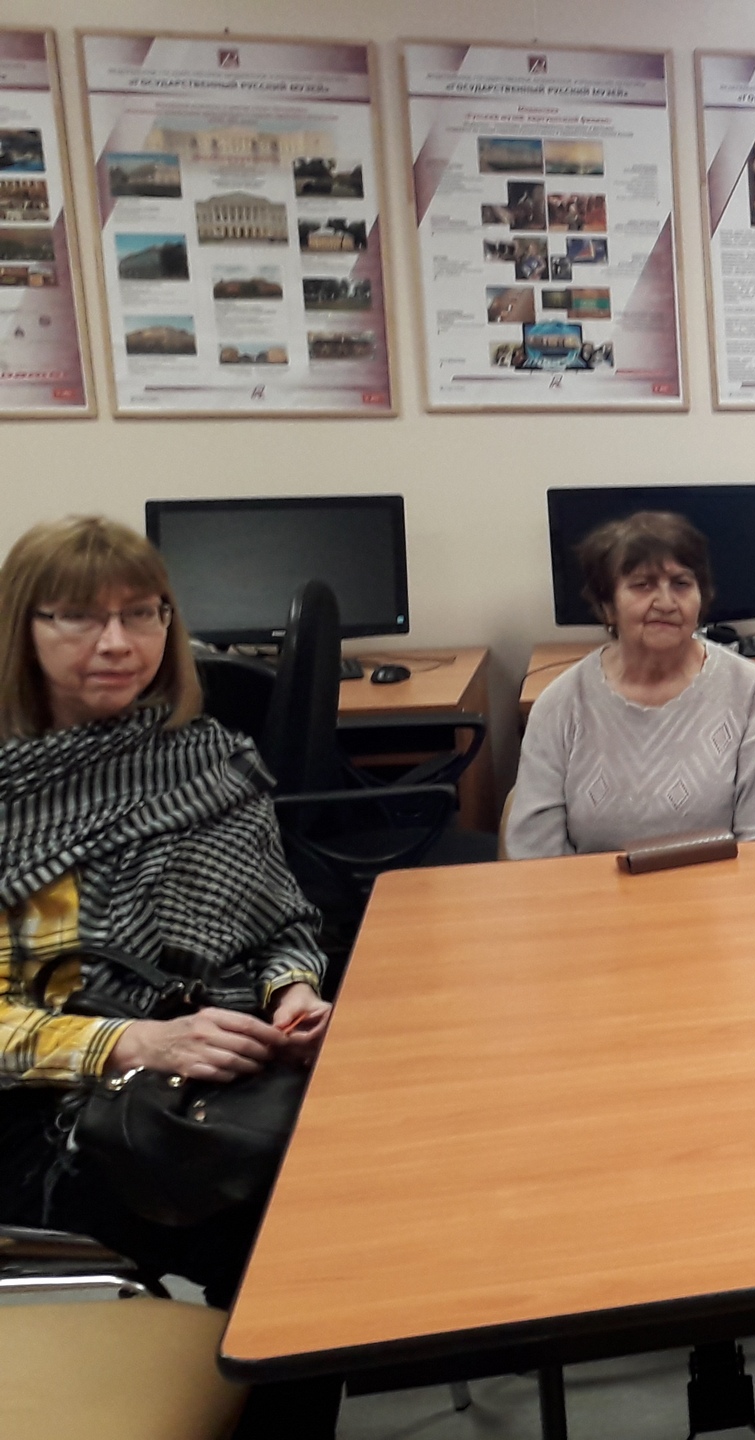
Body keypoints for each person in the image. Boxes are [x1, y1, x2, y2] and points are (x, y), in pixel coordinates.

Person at [0, 517, 338, 1434]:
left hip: (224, 1067)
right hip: (57, 1114)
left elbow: (282, 920)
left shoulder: (204, 756)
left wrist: (293, 993)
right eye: (79, 617)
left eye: (141, 613)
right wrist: (137, 1041)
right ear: (22, 627)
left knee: (363, 1179)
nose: (118, 642)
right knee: (307, 1240)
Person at [508, 512, 755, 857]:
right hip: (593, 891)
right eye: (643, 585)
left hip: (720, 890)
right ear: (607, 607)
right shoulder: (560, 704)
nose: (666, 603)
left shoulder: (754, 695)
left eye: (681, 584)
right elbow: (534, 854)